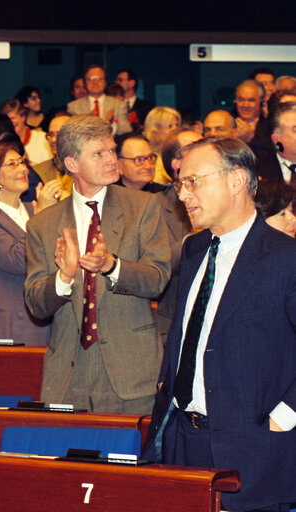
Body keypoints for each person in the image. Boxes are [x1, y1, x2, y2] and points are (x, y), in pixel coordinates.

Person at [147, 137, 296, 512]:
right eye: (180, 183)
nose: (184, 195)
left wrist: (282, 418)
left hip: (253, 451)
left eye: (194, 181)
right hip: (180, 441)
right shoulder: (195, 250)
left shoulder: (285, 258)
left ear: (236, 180)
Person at [24, 114, 171, 414]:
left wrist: (112, 265)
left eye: (112, 151)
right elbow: (36, 305)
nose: (111, 160)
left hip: (131, 373)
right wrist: (63, 278)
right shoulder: (42, 224)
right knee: (69, 460)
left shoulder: (143, 207)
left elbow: (157, 279)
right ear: (72, 164)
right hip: (67, 377)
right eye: (99, 154)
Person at [0, 143, 59, 345]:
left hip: (46, 317)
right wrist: (43, 216)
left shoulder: (33, 208)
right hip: (12, 321)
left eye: (22, 162)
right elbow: (19, 260)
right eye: (12, 164)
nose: (23, 169)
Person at [66, 65, 132, 135]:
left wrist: (111, 125)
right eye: (90, 78)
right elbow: (71, 135)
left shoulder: (119, 105)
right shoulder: (74, 107)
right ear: (85, 83)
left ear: (106, 82)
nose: (95, 82)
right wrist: (87, 123)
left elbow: (125, 133)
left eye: (99, 78)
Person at [0, 99, 52, 165]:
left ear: (23, 117)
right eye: (7, 120)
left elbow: (50, 168)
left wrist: (28, 163)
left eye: (12, 118)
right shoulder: (4, 145)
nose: (10, 122)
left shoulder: (42, 139)